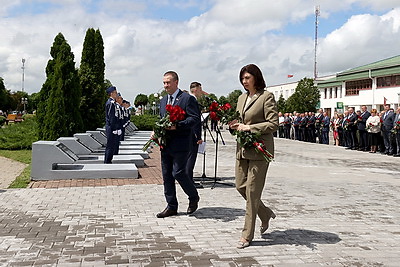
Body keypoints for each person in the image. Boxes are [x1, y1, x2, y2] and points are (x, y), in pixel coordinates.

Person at [229, 64, 278, 249]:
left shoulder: (266, 97)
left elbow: (273, 123)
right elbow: (240, 119)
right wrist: (234, 125)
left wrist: (250, 127)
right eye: (242, 78)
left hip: (259, 150)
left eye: (247, 78)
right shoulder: (241, 98)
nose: (244, 81)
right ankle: (265, 214)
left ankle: (246, 235)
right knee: (240, 186)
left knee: (252, 192)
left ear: (256, 78)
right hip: (242, 149)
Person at [155, 71, 200, 218]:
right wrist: (156, 132)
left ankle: (193, 196)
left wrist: (178, 125)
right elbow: (162, 120)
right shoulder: (163, 101)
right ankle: (171, 206)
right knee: (167, 175)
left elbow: (194, 119)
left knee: (179, 173)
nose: (165, 85)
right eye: (164, 83)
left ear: (176, 82)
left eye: (168, 82)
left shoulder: (187, 99)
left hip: (181, 143)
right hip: (166, 144)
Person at [187, 81, 204, 188]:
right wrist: (197, 136)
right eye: (200, 89)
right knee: (191, 159)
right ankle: (189, 181)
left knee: (190, 158)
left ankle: (189, 179)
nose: (201, 92)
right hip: (192, 135)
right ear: (196, 89)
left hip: (190, 134)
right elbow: (195, 120)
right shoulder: (192, 100)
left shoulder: (190, 99)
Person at [104, 86, 121, 164]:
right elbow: (111, 117)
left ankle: (109, 160)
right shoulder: (110, 103)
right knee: (110, 145)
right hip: (111, 127)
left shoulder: (113, 103)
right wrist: (114, 128)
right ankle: (107, 161)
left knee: (112, 145)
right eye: (115, 93)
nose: (116, 94)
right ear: (111, 93)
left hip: (113, 127)